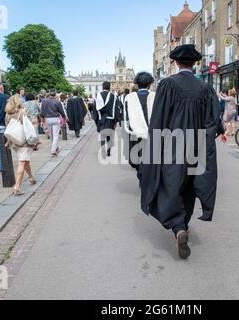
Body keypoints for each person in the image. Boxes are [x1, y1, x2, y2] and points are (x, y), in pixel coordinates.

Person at [140, 44, 227, 260]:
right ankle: (184, 224)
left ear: (177, 63)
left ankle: (178, 226)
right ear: (195, 63)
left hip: (172, 146)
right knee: (189, 187)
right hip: (197, 147)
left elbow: (158, 119)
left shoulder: (167, 85)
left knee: (170, 186)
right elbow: (214, 122)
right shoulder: (205, 89)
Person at [124, 72, 155, 177]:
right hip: (151, 133)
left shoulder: (129, 97)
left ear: (137, 84)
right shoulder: (155, 97)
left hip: (135, 132)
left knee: (137, 156)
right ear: (150, 84)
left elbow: (127, 117)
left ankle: (140, 174)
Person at [5, 95, 36, 196]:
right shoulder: (21, 113)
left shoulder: (7, 114)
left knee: (25, 160)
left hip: (14, 141)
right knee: (22, 162)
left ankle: (31, 177)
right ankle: (17, 186)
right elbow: (27, 127)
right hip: (23, 141)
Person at [95, 82, 122, 157]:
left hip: (101, 119)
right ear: (109, 87)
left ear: (103, 87)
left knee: (102, 135)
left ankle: (103, 151)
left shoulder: (98, 96)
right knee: (109, 135)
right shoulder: (113, 96)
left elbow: (95, 110)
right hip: (110, 119)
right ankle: (108, 151)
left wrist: (96, 120)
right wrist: (116, 121)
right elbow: (117, 109)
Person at [40, 89, 67, 157]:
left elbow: (42, 112)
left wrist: (42, 120)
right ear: (55, 94)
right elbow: (61, 112)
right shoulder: (57, 102)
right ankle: (53, 150)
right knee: (55, 135)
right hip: (55, 119)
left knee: (51, 135)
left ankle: (55, 147)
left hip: (48, 119)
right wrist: (64, 118)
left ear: (49, 94)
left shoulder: (44, 101)